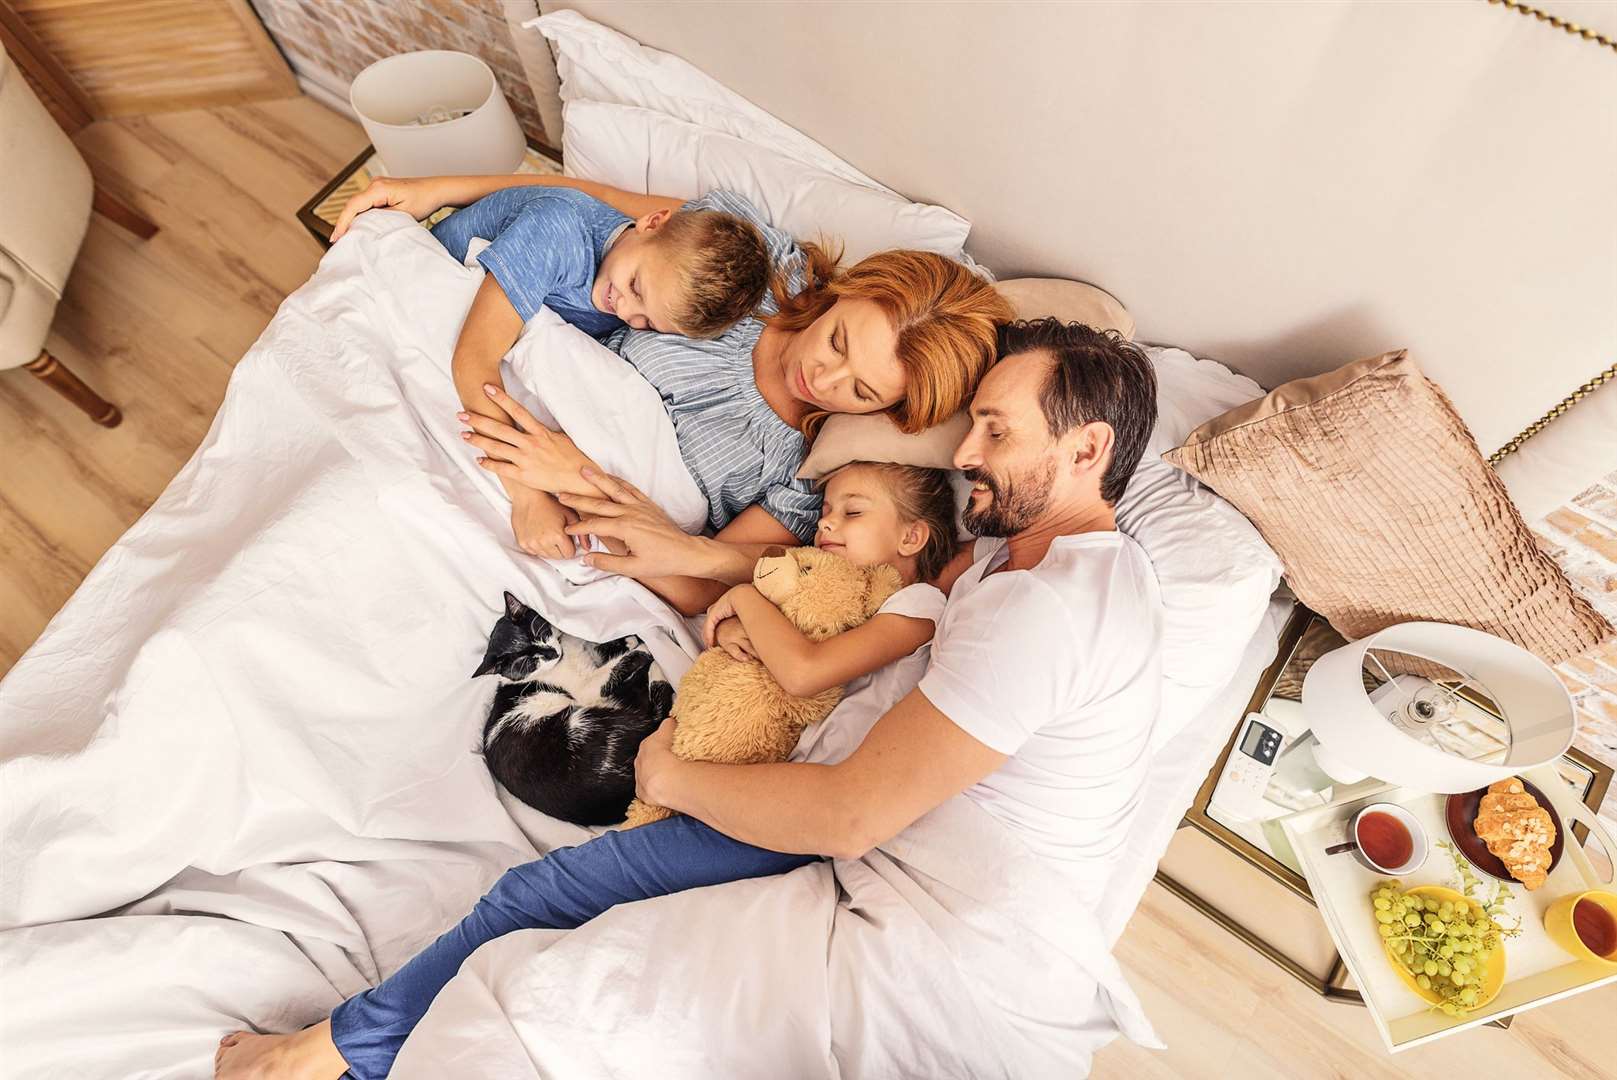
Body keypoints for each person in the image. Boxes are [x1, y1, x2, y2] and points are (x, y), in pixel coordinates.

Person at [214, 318, 1163, 1079]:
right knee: (552, 901)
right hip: (891, 843)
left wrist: (672, 769)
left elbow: (847, 814)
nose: (964, 453)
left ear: (1087, 449)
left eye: (996, 432)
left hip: (944, 918)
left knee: (548, 907)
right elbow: (844, 583)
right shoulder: (1014, 555)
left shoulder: (1049, 610)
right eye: (973, 425)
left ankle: (310, 1062)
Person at [333, 173, 1013, 612]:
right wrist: (435, 191)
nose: (824, 380)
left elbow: (689, 581)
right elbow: (580, 211)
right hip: (487, 399)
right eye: (837, 341)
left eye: (861, 391)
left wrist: (572, 481)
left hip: (556, 515)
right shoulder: (755, 261)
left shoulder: (805, 471)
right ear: (846, 291)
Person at [429, 185, 772, 558]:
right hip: (440, 283)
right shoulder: (557, 230)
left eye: (646, 323)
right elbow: (473, 358)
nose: (624, 311)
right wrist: (528, 499)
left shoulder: (633, 286)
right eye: (635, 287)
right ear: (652, 222)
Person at [703, 462, 960, 692]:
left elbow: (803, 674)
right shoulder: (811, 584)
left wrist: (743, 598)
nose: (823, 524)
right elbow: (772, 634)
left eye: (853, 512)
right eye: (825, 512)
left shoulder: (918, 606)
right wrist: (730, 627)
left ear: (910, 538)